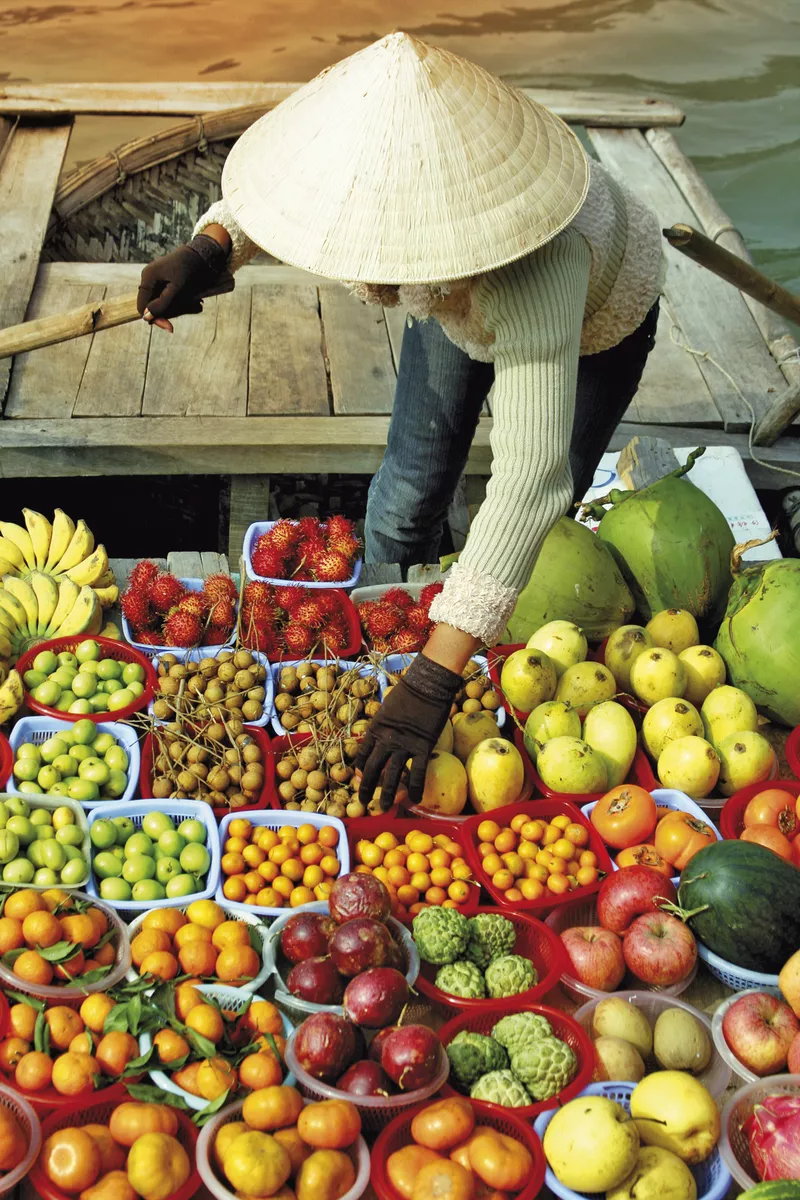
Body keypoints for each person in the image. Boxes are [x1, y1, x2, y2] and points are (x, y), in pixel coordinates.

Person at [137, 32, 665, 809]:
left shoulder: (537, 267)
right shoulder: (390, 174)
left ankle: (452, 637)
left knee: (540, 518)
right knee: (412, 477)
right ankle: (380, 631)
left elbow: (529, 478)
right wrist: (214, 247)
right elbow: (294, 188)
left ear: (427, 239)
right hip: (456, 297)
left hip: (592, 319)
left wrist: (431, 684)